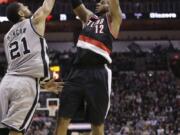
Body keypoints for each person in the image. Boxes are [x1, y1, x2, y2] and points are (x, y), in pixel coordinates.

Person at [56, 0, 122, 135]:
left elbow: (115, 3)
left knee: (97, 125)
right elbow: (77, 6)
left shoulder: (114, 19)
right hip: (77, 71)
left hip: (98, 72)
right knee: (62, 119)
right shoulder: (90, 17)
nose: (98, 3)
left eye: (103, 1)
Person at [0, 0, 56, 135]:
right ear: (20, 13)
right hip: (25, 84)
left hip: (6, 83)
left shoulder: (7, 37)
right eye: (23, 6)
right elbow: (47, 6)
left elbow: (18, 63)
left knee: (2, 129)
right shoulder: (34, 21)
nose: (27, 7)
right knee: (16, 130)